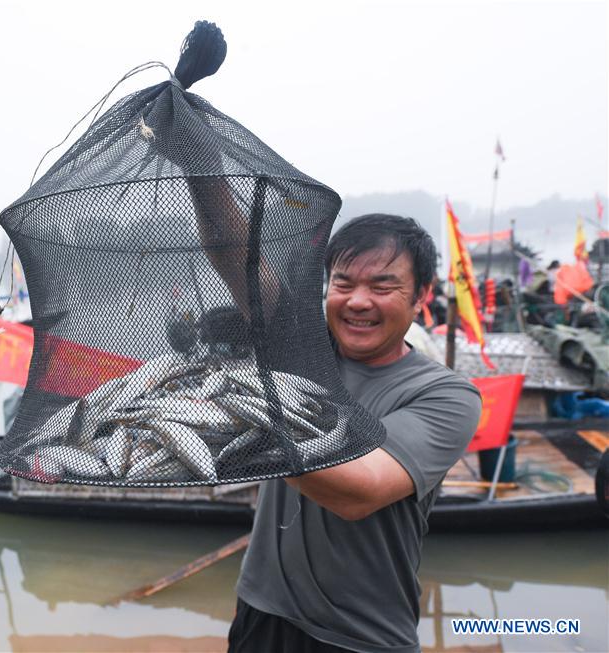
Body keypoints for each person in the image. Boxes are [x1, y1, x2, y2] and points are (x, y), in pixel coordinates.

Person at [185, 179, 482, 652]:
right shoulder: (301, 348)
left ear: (421, 295)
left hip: (360, 635)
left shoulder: (445, 396)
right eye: (344, 283)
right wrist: (200, 167)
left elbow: (357, 493)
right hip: (261, 612)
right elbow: (232, 255)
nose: (358, 301)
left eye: (383, 286)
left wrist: (236, 421)